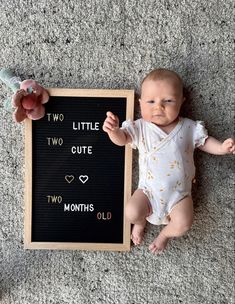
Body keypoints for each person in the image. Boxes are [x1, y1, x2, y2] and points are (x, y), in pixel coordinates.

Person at [102, 68, 235, 254]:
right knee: (131, 212)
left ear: (181, 101)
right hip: (148, 192)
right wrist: (114, 131)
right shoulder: (141, 127)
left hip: (179, 195)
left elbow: (205, 142)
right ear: (140, 104)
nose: (159, 107)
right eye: (151, 101)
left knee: (184, 223)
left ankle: (164, 235)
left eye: (168, 101)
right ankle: (140, 223)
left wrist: (221, 148)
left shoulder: (189, 127)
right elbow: (122, 140)